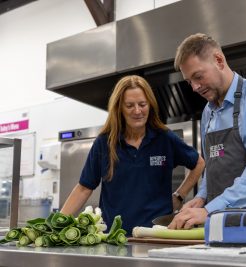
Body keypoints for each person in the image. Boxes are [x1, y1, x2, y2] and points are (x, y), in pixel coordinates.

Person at [168, 33, 246, 229]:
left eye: (198, 76)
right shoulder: (208, 112)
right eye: (189, 81)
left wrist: (211, 209)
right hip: (218, 218)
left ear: (219, 60)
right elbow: (213, 166)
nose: (195, 87)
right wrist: (202, 197)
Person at [61, 75, 205, 233]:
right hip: (114, 238)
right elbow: (84, 188)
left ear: (150, 104)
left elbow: (198, 163)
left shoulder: (164, 138)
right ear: (119, 108)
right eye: (129, 106)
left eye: (142, 104)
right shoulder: (105, 143)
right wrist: (56, 224)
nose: (137, 111)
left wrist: (179, 196)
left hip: (155, 235)